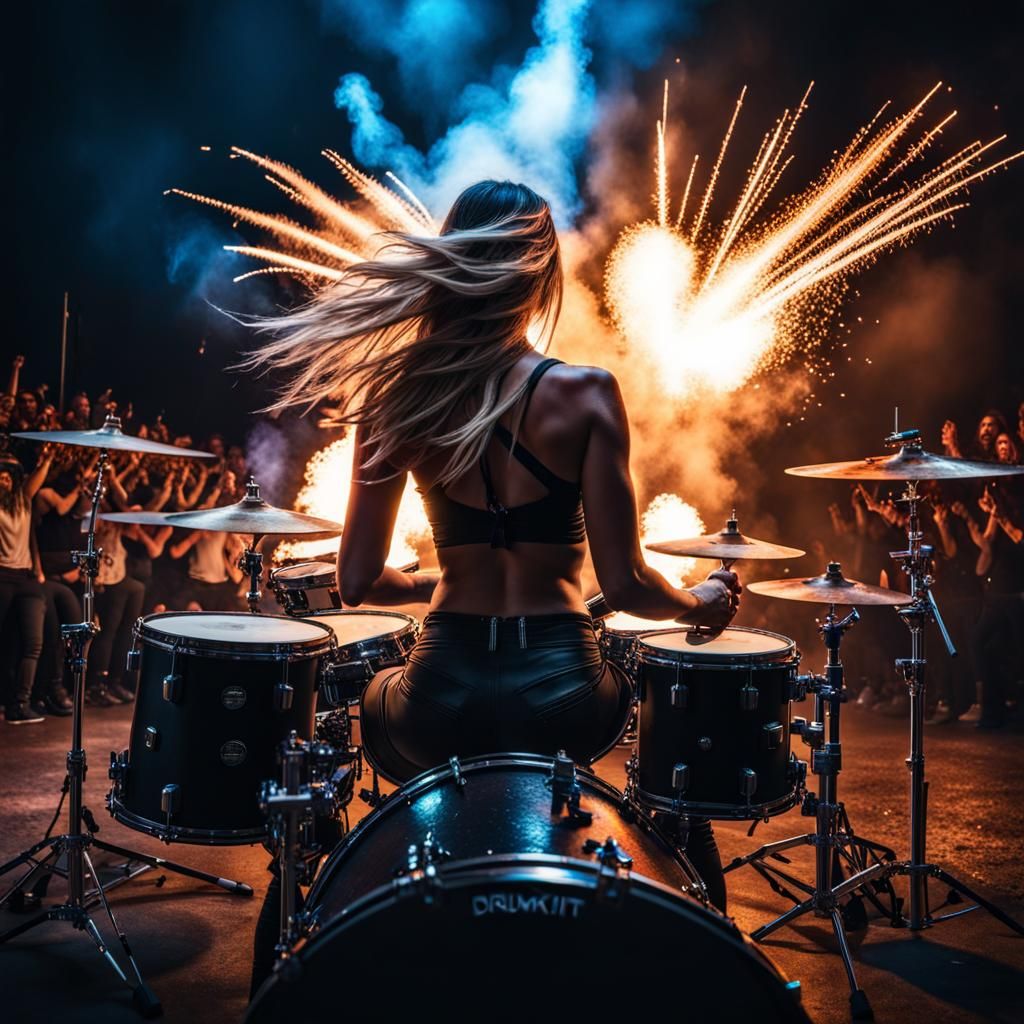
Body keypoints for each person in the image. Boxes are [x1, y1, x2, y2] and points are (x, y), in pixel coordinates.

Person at [244, 180, 741, 908]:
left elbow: (356, 582)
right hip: (566, 693)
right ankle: (703, 937)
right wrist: (698, 602)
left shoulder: (396, 397)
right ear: (539, 273)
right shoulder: (588, 394)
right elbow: (629, 585)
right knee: (667, 772)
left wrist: (430, 585)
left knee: (380, 699)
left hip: (443, 691)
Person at [0, 447, 55, 723]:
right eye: (0, 475)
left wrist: (46, 458)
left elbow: (37, 477)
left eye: (9, 475)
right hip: (2, 575)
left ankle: (20, 704)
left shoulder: (23, 499)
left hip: (25, 578)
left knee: (33, 642)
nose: (4, 480)